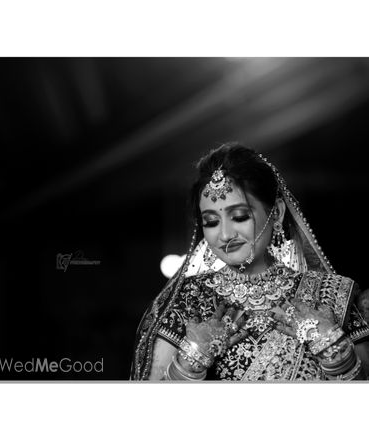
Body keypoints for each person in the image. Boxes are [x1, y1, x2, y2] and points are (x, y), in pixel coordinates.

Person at [130, 142, 369, 381]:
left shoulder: (330, 295)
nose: (225, 235)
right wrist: (191, 360)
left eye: (240, 216)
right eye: (211, 222)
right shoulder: (187, 300)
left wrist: (335, 351)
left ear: (276, 213)